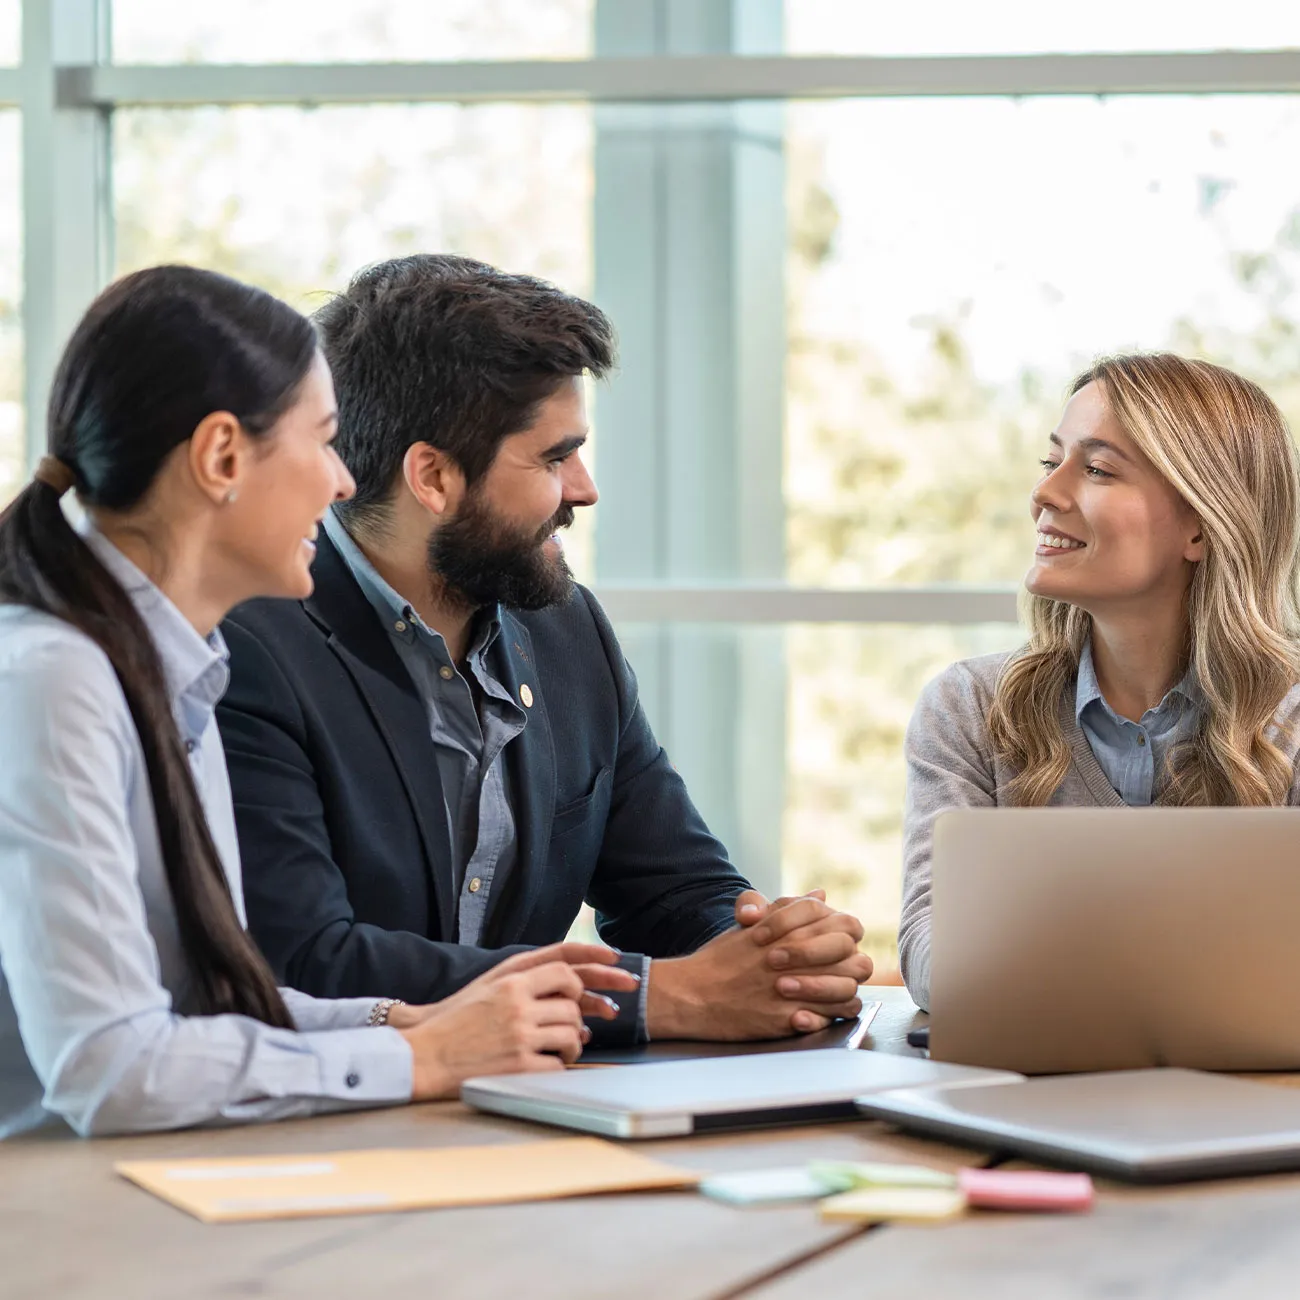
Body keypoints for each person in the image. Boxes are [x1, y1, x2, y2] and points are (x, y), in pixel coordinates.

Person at [0, 265, 641, 1140]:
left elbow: (200, 1003)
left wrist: (401, 1025)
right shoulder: (52, 679)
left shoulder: (168, 663)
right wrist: (420, 1058)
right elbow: (110, 1069)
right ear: (223, 457)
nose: (343, 482)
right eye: (325, 441)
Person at [219, 254, 873, 1045]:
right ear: (432, 476)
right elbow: (302, 960)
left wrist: (773, 954)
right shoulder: (245, 645)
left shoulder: (568, 630)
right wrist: (648, 998)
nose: (585, 488)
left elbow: (672, 886)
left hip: (527, 1110)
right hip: (331, 1127)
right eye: (555, 457)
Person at [899, 352, 1300, 1011]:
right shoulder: (968, 707)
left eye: (1096, 469)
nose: (1045, 494)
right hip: (1026, 1094)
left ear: (1201, 524)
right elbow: (931, 949)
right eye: (1050, 462)